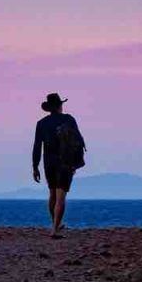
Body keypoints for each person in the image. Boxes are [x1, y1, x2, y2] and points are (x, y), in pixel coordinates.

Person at [32, 92, 85, 238]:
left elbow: (37, 146)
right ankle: (55, 230)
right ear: (60, 106)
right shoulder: (68, 120)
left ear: (49, 108)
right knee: (61, 197)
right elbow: (78, 141)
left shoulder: (41, 123)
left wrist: (35, 166)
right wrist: (76, 163)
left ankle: (55, 224)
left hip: (48, 162)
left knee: (52, 195)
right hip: (65, 162)